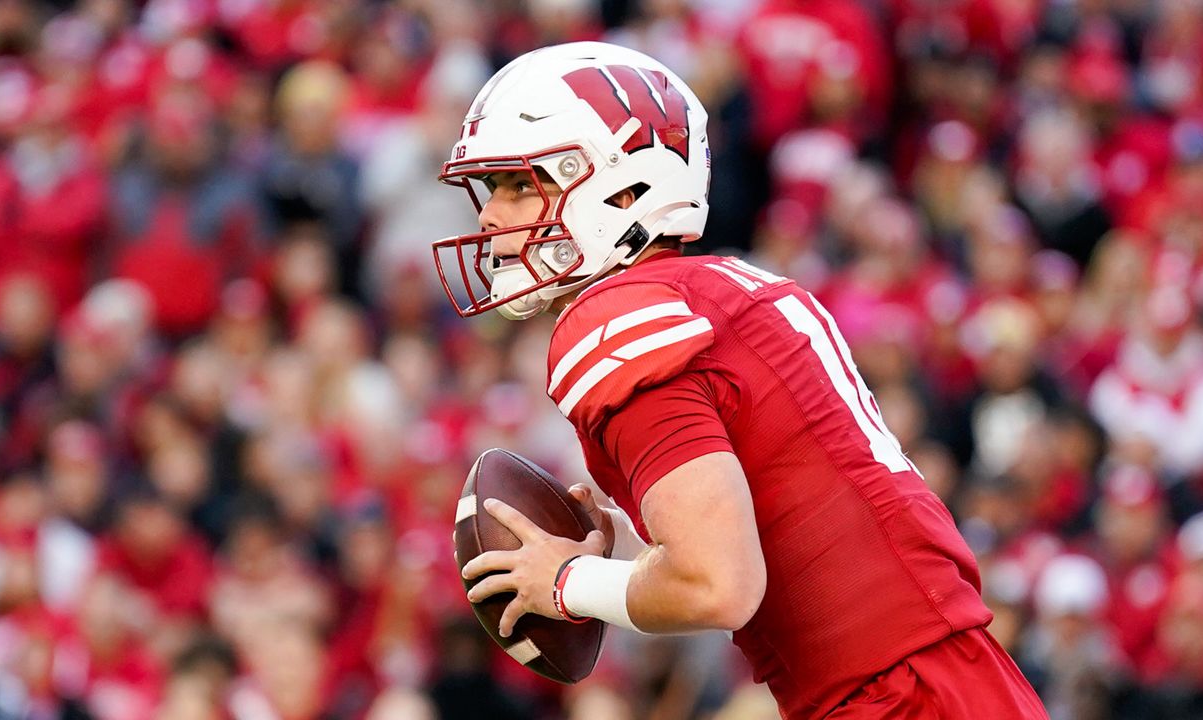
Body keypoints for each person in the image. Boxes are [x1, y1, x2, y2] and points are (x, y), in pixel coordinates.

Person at [433, 42, 1048, 719]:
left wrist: (567, 583)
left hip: (891, 692)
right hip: (943, 672)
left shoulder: (616, 317)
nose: (491, 218)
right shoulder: (728, 285)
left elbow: (717, 585)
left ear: (623, 187)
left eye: (521, 185)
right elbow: (794, 509)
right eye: (493, 192)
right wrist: (635, 542)